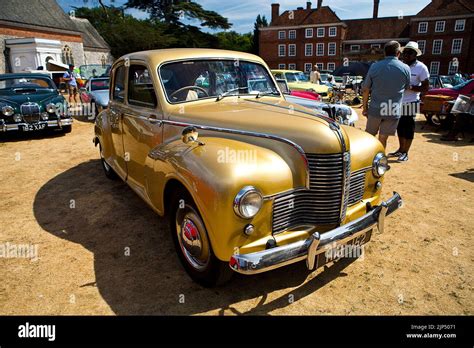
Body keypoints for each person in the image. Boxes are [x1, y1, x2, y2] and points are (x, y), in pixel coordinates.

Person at [362, 41, 411, 148]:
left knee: (369, 136)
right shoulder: (406, 68)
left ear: (385, 53)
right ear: (398, 53)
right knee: (383, 138)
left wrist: (365, 108)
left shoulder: (375, 66)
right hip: (392, 108)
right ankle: (380, 161)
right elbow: (407, 87)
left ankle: (369, 159)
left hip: (376, 107)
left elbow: (366, 89)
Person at [389, 41, 430, 162]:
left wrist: (411, 87)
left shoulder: (421, 67)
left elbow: (426, 87)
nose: (406, 55)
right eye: (404, 52)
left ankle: (406, 152)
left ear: (415, 54)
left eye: (410, 52)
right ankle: (401, 149)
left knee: (409, 128)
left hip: (411, 102)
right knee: (399, 127)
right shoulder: (400, 65)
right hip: (398, 101)